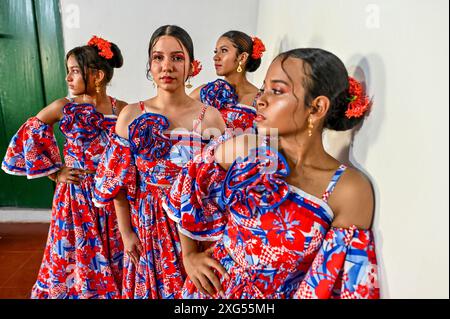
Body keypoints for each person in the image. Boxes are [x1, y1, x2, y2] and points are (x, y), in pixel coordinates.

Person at [167, 48, 379, 299]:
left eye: (277, 91)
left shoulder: (348, 190)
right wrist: (189, 255)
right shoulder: (244, 148)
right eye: (264, 88)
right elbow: (190, 183)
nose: (260, 100)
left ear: (317, 107)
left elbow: (337, 284)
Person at [93, 25, 226, 299]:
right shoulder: (130, 115)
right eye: (158, 58)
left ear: (191, 65)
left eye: (177, 58)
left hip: (195, 222)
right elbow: (117, 179)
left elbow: (218, 183)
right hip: (149, 222)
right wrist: (126, 230)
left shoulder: (210, 117)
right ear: (150, 65)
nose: (167, 66)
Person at [1, 36, 127, 298]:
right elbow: (31, 132)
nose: (68, 77)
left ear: (98, 75)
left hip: (110, 196)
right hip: (75, 196)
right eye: (68, 71)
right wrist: (55, 172)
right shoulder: (64, 106)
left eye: (75, 71)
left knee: (111, 247)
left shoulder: (122, 109)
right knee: (73, 250)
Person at [190, 31, 265, 132]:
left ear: (242, 57)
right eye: (216, 52)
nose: (215, 57)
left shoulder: (260, 99)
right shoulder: (205, 92)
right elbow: (178, 114)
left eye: (224, 50)